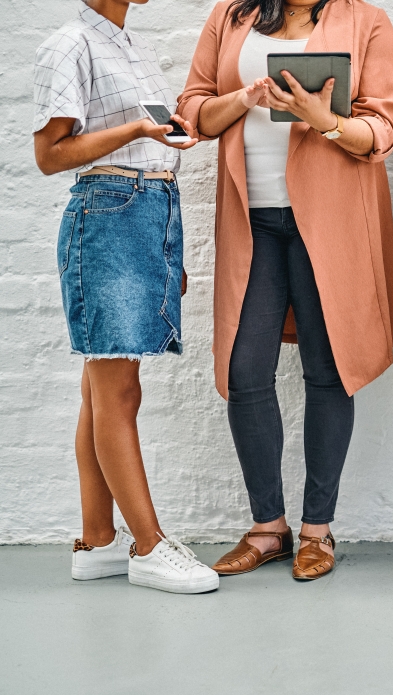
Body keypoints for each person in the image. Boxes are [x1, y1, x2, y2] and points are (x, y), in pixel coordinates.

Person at [178, 0, 393, 581]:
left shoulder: (367, 21)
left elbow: (381, 129)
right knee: (245, 369)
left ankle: (317, 531)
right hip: (252, 220)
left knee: (328, 370)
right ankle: (267, 528)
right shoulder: (231, 16)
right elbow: (193, 111)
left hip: (328, 220)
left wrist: (320, 116)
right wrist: (244, 99)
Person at [32, 0, 220, 594]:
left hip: (146, 213)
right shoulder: (70, 43)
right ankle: (148, 545)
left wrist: (166, 250)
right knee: (118, 387)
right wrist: (138, 128)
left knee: (101, 386)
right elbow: (50, 155)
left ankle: (99, 541)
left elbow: (151, 153)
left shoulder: (125, 43)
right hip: (110, 213)